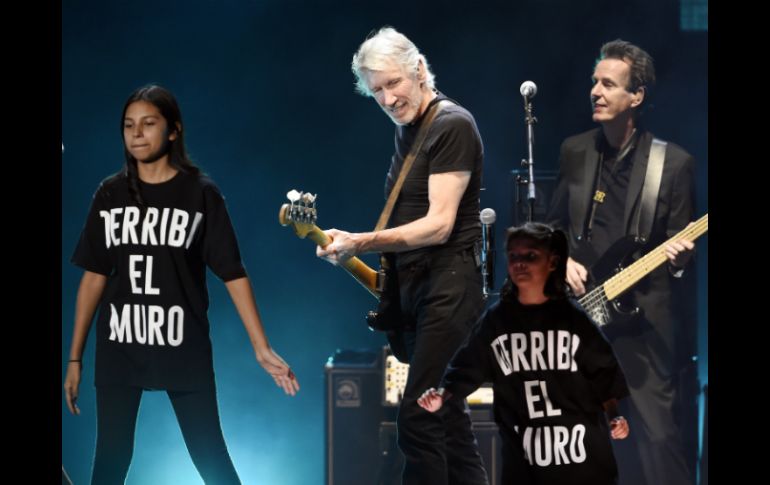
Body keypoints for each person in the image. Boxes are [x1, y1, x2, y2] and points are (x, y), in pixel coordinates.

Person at [63, 84, 300, 485]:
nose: (137, 133)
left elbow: (233, 272)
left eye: (148, 123)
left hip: (182, 346)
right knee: (111, 457)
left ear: (173, 130)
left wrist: (261, 347)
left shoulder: (200, 193)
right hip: (120, 346)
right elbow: (94, 276)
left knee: (210, 455)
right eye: (128, 125)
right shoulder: (110, 193)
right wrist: (75, 359)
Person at [316, 27, 489, 485]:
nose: (388, 99)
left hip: (450, 288)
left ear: (420, 70)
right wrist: (350, 249)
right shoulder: (410, 131)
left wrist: (360, 242)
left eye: (394, 83)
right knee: (449, 422)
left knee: (417, 417)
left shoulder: (451, 124)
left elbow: (440, 225)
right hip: (419, 290)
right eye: (377, 91)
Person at [545, 39, 697, 484]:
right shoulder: (575, 151)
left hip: (643, 325)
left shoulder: (673, 164)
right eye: (594, 82)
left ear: (637, 96)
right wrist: (561, 259)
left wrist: (680, 260)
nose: (595, 91)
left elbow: (682, 255)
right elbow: (552, 227)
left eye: (609, 84)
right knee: (579, 443)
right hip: (584, 317)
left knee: (659, 442)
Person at [419, 222, 631, 485]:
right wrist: (441, 395)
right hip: (525, 463)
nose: (520, 264)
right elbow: (467, 365)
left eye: (530, 256)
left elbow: (603, 371)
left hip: (582, 462)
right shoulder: (497, 320)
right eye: (513, 256)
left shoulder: (573, 318)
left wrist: (614, 416)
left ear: (552, 262)